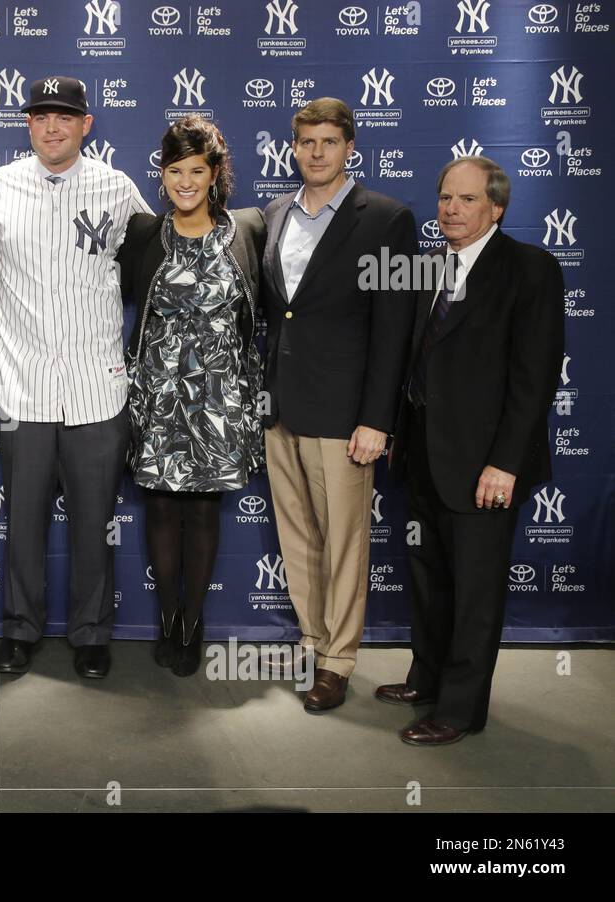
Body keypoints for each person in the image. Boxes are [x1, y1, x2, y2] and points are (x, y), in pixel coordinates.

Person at [381, 157, 564, 745]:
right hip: (425, 458)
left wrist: (505, 463)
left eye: (465, 200)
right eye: (444, 199)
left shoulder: (530, 269)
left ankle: (460, 710)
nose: (451, 210)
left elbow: (534, 380)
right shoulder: (427, 267)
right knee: (430, 579)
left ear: (497, 207)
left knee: (476, 593)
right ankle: (427, 678)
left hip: (486, 465)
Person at [0, 76, 150, 680]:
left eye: (66, 116)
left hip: (95, 385)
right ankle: (20, 630)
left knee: (92, 522)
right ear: (27, 124)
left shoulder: (118, 187)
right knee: (22, 520)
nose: (53, 126)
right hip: (21, 383)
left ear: (87, 123)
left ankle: (90, 634)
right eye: (41, 116)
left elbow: (153, 269)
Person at [259, 98, 416, 712]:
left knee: (345, 541)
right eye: (305, 142)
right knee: (298, 538)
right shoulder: (274, 214)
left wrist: (377, 418)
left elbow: (394, 330)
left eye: (328, 141)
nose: (316, 152)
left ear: (349, 146)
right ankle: (313, 639)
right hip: (281, 407)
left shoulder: (388, 219)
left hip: (347, 414)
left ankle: (338, 662)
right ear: (292, 147)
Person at [119, 116, 266, 678]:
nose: (185, 181)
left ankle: (194, 619)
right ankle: (166, 619)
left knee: (203, 510)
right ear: (162, 175)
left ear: (215, 174)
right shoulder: (141, 234)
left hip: (220, 395)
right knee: (159, 505)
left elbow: (269, 310)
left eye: (196, 171)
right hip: (157, 393)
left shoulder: (246, 230)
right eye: (174, 171)